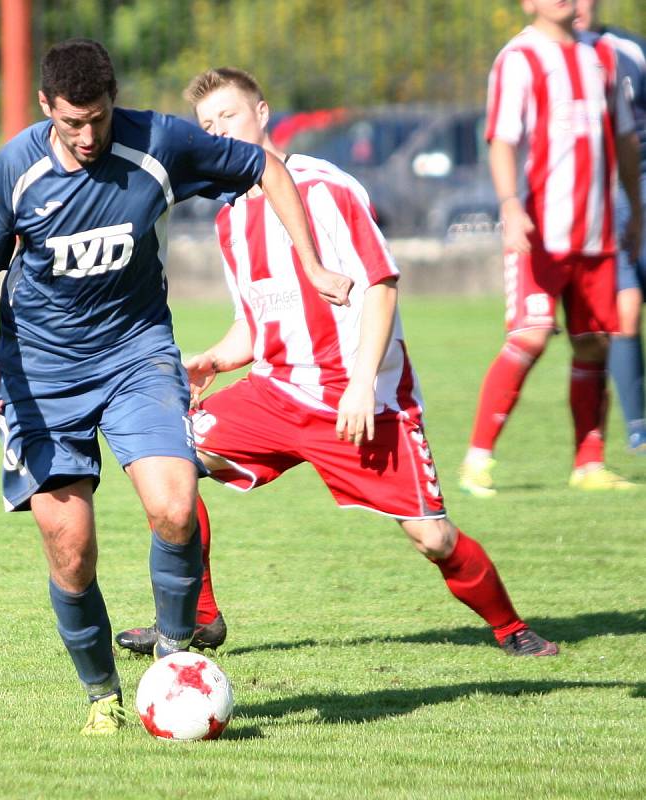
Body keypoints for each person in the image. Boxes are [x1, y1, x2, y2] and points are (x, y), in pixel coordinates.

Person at [0, 39, 351, 736]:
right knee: (69, 545)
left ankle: (174, 662)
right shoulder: (14, 168)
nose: (87, 136)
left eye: (99, 119)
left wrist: (314, 267)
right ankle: (101, 694)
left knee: (175, 508)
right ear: (46, 107)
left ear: (115, 103)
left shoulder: (157, 141)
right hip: (39, 375)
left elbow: (265, 164)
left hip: (136, 354)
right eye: (72, 122)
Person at [116, 67, 559, 660]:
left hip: (363, 403)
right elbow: (260, 319)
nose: (218, 131)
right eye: (207, 124)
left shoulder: (325, 188)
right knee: (168, 460)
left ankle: (510, 627)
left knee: (433, 537)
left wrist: (358, 384)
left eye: (230, 116)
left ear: (263, 112)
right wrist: (217, 358)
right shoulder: (230, 218)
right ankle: (199, 617)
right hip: (275, 395)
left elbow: (380, 285)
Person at [458, 0, 643, 499]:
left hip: (595, 233)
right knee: (531, 337)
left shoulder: (603, 56)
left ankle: (589, 462)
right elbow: (502, 138)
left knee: (593, 341)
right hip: (540, 233)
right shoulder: (519, 58)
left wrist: (635, 209)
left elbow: (625, 138)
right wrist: (510, 204)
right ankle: (478, 460)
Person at [574, 0, 646, 454]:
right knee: (625, 306)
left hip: (638, 181)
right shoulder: (535, 56)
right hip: (597, 197)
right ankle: (637, 426)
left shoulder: (629, 50)